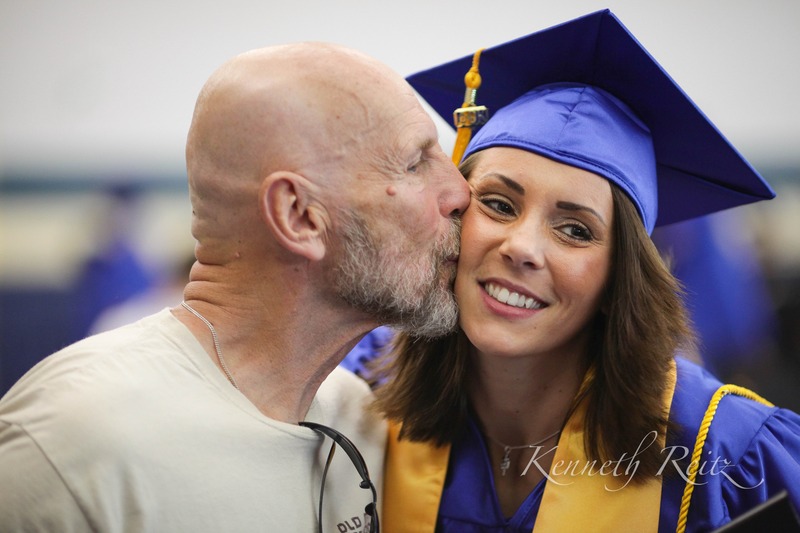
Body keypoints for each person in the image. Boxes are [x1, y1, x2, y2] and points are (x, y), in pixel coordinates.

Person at [0, 41, 470, 531]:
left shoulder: (361, 419)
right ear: (299, 216)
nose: (461, 191)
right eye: (416, 163)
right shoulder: (70, 447)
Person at [366, 10, 800, 533]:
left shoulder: (732, 457)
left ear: (621, 277)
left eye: (575, 230)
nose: (522, 247)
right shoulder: (361, 391)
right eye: (499, 204)